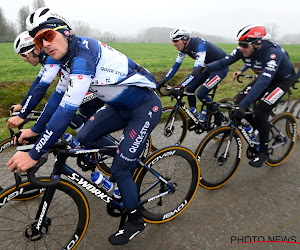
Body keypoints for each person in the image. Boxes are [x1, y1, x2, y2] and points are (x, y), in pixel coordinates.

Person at [7, 7, 162, 245]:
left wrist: (36, 153)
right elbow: (57, 100)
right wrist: (37, 130)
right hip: (117, 107)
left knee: (120, 168)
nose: (44, 44)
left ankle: (134, 219)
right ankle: (124, 160)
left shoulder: (82, 56)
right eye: (39, 40)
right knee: (85, 138)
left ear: (65, 32)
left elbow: (67, 110)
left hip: (144, 107)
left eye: (47, 35)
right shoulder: (66, 59)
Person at [197, 24, 296, 168]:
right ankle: (259, 128)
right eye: (239, 44)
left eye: (244, 45)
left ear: (257, 43)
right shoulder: (243, 51)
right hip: (264, 78)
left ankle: (263, 152)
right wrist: (207, 68)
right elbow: (225, 61)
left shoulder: (272, 53)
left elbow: (263, 81)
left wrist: (244, 106)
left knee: (261, 110)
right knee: (238, 102)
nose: (240, 48)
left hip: (281, 81)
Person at [8, 28, 104, 132]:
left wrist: (22, 115)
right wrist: (22, 105)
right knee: (81, 123)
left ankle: (87, 140)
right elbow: (37, 83)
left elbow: (41, 89)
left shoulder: (51, 59)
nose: (25, 59)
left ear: (36, 49)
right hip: (84, 89)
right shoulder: (45, 60)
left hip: (92, 90)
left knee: (62, 110)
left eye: (24, 55)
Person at [158, 27, 229, 128]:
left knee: (201, 93)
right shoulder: (184, 49)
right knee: (190, 88)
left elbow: (195, 72)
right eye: (172, 41)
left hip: (220, 68)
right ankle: (194, 115)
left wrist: (181, 86)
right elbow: (175, 66)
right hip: (207, 67)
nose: (174, 44)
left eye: (175, 40)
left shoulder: (199, 45)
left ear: (185, 39)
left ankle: (218, 115)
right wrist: (164, 80)